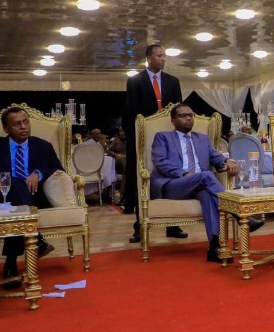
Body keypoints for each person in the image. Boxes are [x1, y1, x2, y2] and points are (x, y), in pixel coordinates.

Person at [150, 104, 263, 263]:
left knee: (208, 195)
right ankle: (239, 214)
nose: (188, 118)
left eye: (190, 115)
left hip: (199, 185)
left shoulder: (202, 139)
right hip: (174, 185)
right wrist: (183, 173)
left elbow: (216, 157)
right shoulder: (163, 137)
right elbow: (160, 162)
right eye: (183, 115)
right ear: (173, 120)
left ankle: (214, 247)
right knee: (207, 176)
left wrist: (227, 161)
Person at [0, 107, 59, 288]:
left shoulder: (43, 146)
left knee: (18, 195)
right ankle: (35, 239)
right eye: (17, 124)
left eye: (26, 122)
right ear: (6, 128)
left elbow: (57, 168)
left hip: (34, 197)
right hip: (2, 197)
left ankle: (11, 262)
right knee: (14, 182)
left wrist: (38, 173)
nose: (23, 127)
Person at [124, 44, 185, 243]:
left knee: (172, 179)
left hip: (168, 139)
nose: (163, 59)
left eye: (164, 55)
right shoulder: (135, 81)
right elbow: (132, 112)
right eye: (159, 56)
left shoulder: (173, 82)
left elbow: (179, 112)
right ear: (149, 58)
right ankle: (139, 227)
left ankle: (173, 225)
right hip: (143, 139)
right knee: (140, 182)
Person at [107, 128, 127, 202]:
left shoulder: (131, 139)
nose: (122, 133)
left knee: (126, 171)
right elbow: (109, 151)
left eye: (123, 131)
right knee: (126, 166)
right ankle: (122, 193)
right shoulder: (116, 140)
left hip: (127, 160)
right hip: (118, 161)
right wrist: (116, 155)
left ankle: (122, 193)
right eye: (120, 131)